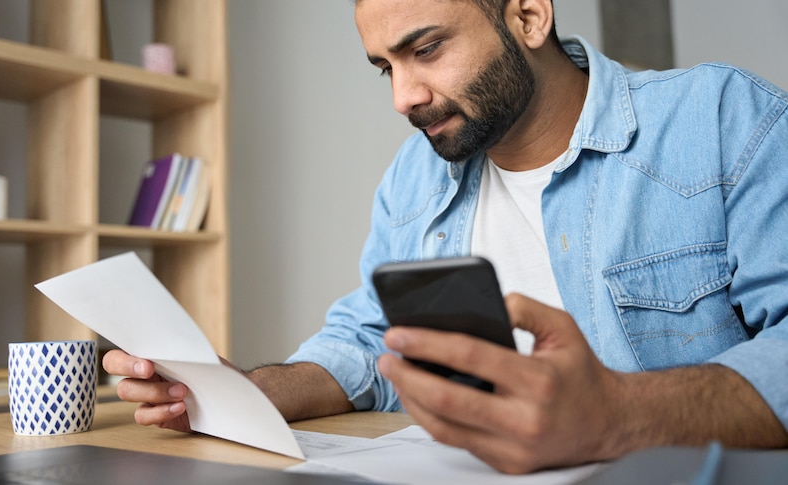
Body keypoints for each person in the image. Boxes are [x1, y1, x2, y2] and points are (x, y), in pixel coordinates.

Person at [103, 0, 788, 474]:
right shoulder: (415, 177)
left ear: (528, 14)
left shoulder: (725, 120)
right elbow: (372, 338)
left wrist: (615, 414)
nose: (403, 96)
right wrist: (245, 391)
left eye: (424, 49)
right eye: (385, 67)